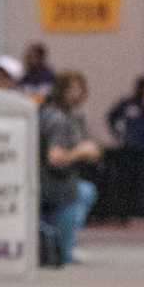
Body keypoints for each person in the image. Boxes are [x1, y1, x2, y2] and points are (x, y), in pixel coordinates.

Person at [38, 71, 101, 266]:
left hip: (62, 180)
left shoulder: (72, 116)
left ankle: (63, 244)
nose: (78, 94)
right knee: (80, 193)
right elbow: (54, 158)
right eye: (73, 89)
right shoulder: (56, 118)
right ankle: (60, 246)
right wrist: (81, 152)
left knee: (85, 191)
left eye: (81, 89)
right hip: (51, 183)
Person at [106, 74, 144, 224]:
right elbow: (111, 117)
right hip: (130, 148)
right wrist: (118, 135)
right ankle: (123, 215)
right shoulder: (128, 103)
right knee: (127, 183)